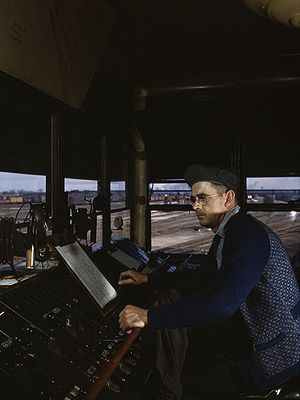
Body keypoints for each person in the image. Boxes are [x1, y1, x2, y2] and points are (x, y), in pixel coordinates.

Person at [118, 164, 300, 400]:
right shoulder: (230, 232)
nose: (195, 206)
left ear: (228, 198)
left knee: (185, 384)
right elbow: (203, 278)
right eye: (194, 199)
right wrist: (148, 279)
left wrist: (149, 317)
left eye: (203, 198)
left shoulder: (246, 234)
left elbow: (221, 305)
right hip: (261, 340)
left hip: (276, 356)